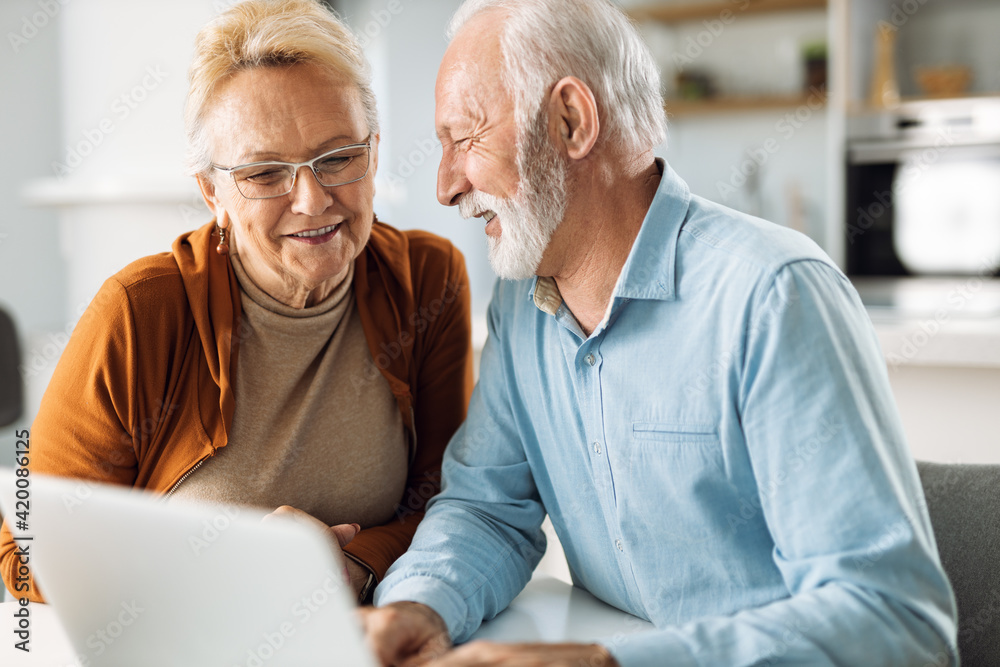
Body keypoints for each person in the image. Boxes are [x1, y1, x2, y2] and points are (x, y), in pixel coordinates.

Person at [360, 0, 959, 665]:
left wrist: (609, 663)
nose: (445, 184)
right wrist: (419, 603)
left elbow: (896, 620)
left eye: (465, 138)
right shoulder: (521, 307)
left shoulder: (772, 295)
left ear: (571, 120)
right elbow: (486, 508)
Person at [0, 0, 473, 605]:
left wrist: (350, 567)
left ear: (375, 154)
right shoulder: (138, 313)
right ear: (211, 192)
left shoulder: (429, 280)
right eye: (265, 173)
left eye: (337, 159)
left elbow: (446, 505)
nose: (311, 199)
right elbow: (23, 555)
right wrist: (231, 565)